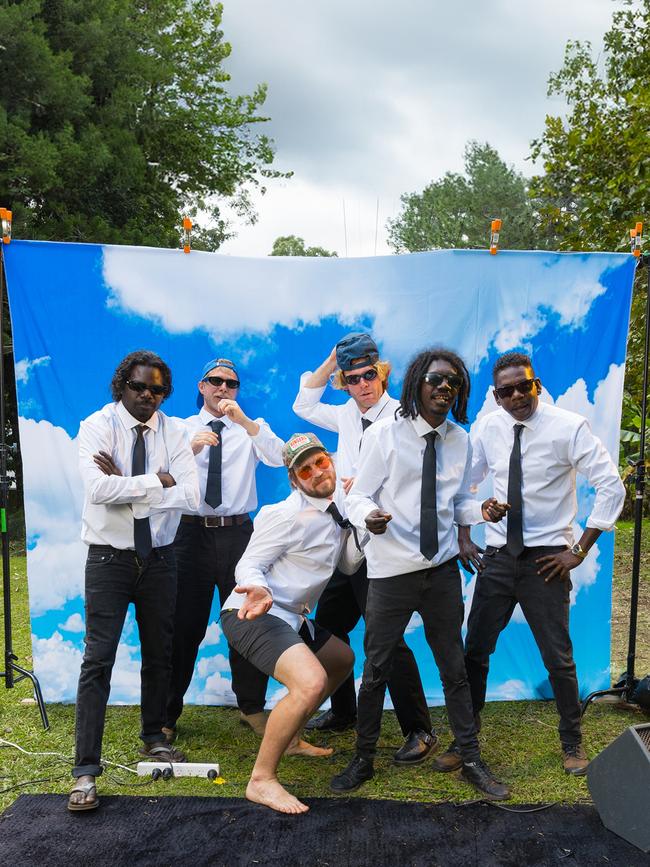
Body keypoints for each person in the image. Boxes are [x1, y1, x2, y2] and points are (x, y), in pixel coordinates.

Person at [331, 347, 511, 800]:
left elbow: (453, 504)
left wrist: (482, 509)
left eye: (452, 382)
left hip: (441, 571)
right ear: (416, 383)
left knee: (454, 669)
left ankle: (470, 757)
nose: (444, 388)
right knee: (375, 669)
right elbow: (357, 496)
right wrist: (369, 513)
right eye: (435, 379)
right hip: (391, 573)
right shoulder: (386, 437)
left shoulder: (459, 440)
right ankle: (363, 759)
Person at [435, 352, 626, 777]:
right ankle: (464, 738)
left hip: (547, 561)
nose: (518, 395)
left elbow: (612, 487)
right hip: (500, 559)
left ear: (536, 384)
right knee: (476, 651)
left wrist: (578, 550)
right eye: (507, 391)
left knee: (558, 658)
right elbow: (464, 487)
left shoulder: (568, 427)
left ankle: (572, 743)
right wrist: (468, 531)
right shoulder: (488, 427)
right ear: (496, 395)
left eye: (525, 386)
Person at [293, 333, 434, 765]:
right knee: (330, 628)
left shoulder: (405, 416)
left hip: (385, 541)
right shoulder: (346, 416)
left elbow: (414, 477)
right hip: (348, 543)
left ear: (382, 372)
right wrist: (332, 359)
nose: (362, 386)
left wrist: (369, 489)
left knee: (385, 638)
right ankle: (343, 712)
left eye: (369, 375)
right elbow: (303, 404)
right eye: (351, 379)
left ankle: (419, 730)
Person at [68, 350, 200, 812]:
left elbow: (192, 495)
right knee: (98, 660)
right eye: (140, 387)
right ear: (121, 385)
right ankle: (85, 770)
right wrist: (157, 482)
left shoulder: (177, 431)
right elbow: (98, 490)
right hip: (109, 559)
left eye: (158, 390)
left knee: (159, 653)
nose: (148, 396)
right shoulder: (97, 426)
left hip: (161, 558)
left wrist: (130, 483)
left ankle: (153, 738)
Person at [221, 432, 362, 814]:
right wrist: (259, 590)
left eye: (321, 462)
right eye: (306, 469)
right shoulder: (283, 515)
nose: (317, 472)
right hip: (253, 612)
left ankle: (294, 736)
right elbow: (248, 563)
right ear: (294, 479)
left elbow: (347, 565)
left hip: (293, 616)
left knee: (340, 659)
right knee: (310, 681)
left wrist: (359, 529)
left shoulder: (340, 506)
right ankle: (261, 780)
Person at [165, 358, 284, 741]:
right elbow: (163, 474)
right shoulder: (181, 428)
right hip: (191, 534)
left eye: (231, 384)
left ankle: (251, 707)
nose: (223, 389)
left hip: (238, 534)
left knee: (247, 620)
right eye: (215, 382)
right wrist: (191, 448)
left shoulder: (251, 428)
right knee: (184, 625)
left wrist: (246, 423)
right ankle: (166, 715)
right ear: (201, 386)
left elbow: (280, 457)